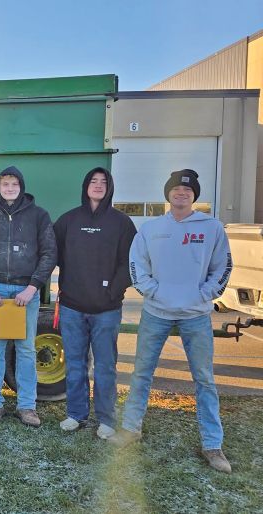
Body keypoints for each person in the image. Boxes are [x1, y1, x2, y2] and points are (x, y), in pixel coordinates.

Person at [109, 169, 234, 474]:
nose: (182, 193)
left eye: (188, 190)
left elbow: (223, 267)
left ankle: (212, 444)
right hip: (157, 312)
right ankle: (131, 428)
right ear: (168, 194)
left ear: (195, 196)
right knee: (142, 372)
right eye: (176, 189)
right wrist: (153, 292)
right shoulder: (152, 229)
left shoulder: (211, 227)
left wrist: (204, 294)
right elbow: (137, 264)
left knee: (204, 379)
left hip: (196, 315)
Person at [53, 167, 136, 438]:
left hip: (106, 311)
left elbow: (129, 263)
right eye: (93, 181)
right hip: (72, 307)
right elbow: (51, 253)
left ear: (109, 187)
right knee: (75, 365)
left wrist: (113, 291)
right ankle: (76, 414)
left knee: (105, 368)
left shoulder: (121, 223)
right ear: (85, 186)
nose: (98, 185)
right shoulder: (69, 220)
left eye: (103, 181)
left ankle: (106, 419)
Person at [0, 166, 57, 427]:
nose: (9, 188)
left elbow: (49, 253)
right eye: (5, 184)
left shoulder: (39, 216)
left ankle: (27, 406)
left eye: (14, 184)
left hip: (25, 292)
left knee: (26, 349)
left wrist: (33, 287)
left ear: (21, 186)